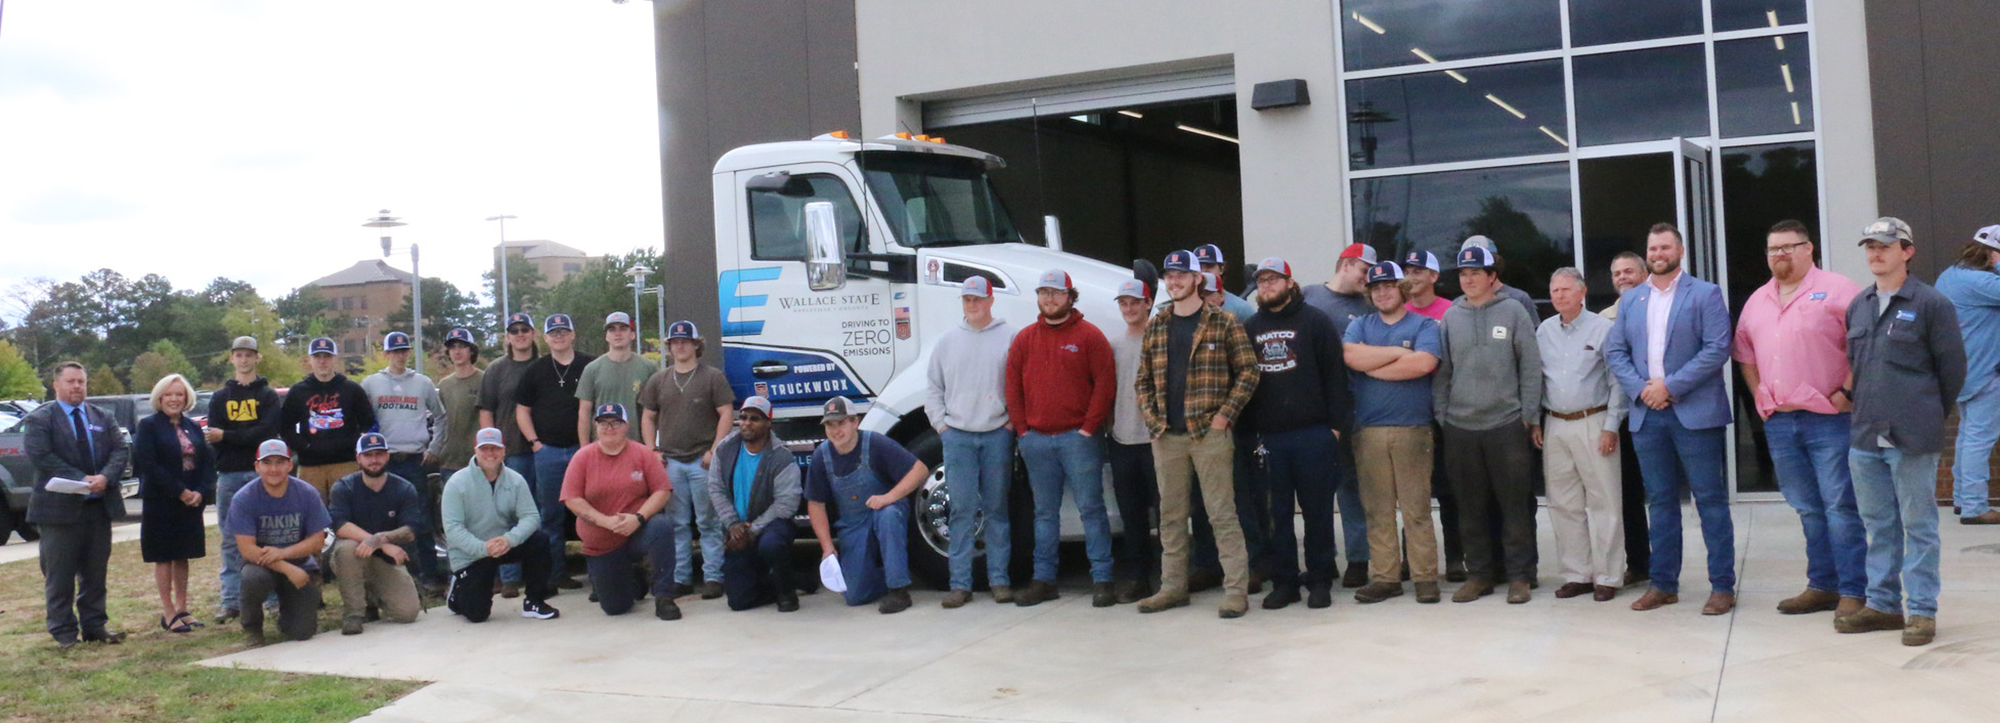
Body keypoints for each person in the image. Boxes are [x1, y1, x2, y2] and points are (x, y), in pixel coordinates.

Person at [1838, 216, 1966, 647]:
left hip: (1912, 435)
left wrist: (1927, 413)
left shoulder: (1932, 304)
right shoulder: (1859, 305)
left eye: (1886, 246)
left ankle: (1923, 612)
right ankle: (1883, 606)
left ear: (1907, 252)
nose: (1876, 254)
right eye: (1870, 247)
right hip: (1865, 434)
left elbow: (1953, 371)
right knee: (1878, 523)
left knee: (1919, 523)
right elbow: (1859, 368)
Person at [1733, 220, 1866, 616]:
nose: (1780, 255)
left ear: (1809, 248)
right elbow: (1745, 354)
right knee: (1807, 507)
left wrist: (1847, 391)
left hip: (1829, 420)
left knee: (1841, 506)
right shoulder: (1758, 300)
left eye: (1789, 247)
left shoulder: (1840, 290)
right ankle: (1822, 584)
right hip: (1781, 422)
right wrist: (1759, 391)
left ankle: (1854, 591)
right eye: (1773, 249)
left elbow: (1865, 342)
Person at [1604, 223, 1738, 615]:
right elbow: (1616, 352)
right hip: (1647, 414)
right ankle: (1664, 584)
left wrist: (1670, 386)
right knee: (1660, 502)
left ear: (1679, 250)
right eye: (1652, 248)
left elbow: (1717, 348)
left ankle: (1722, 587)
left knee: (1710, 501)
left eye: (1665, 247)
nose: (1658, 253)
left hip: (1694, 413)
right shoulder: (1632, 300)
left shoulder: (1706, 294)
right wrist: (1643, 389)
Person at [1135, 249, 1261, 618]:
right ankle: (1172, 587)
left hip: (1209, 433)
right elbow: (1142, 380)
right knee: (1171, 516)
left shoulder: (1223, 322)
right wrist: (1153, 422)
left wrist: (1225, 416)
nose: (1174, 282)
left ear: (1196, 280)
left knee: (1222, 513)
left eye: (1181, 275)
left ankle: (1236, 590)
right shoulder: (1157, 324)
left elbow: (1249, 372)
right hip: (1167, 436)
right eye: (1168, 276)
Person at [1241, 256, 1351, 610]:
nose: (1267, 286)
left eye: (1274, 280)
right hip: (1269, 438)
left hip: (1313, 435)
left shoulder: (1316, 322)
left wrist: (1334, 428)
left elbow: (1336, 377)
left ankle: (1319, 580)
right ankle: (1284, 582)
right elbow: (1244, 383)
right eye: (1261, 281)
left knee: (1318, 512)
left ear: (1290, 283)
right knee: (1277, 515)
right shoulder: (1251, 328)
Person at [1434, 246, 1543, 604]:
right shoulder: (1452, 316)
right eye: (1463, 274)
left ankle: (1519, 576)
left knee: (1514, 505)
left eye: (1475, 273)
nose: (1468, 280)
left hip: (1506, 424)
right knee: (1470, 506)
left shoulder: (1513, 311)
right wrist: (1444, 416)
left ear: (1492, 276)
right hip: (1461, 427)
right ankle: (1479, 574)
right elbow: (1443, 371)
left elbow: (1529, 366)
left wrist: (1528, 416)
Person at [1005, 269, 1118, 608]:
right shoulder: (1025, 339)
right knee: (1044, 514)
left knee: (1091, 509)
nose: (1050, 299)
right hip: (1036, 441)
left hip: (1078, 439)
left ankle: (1103, 579)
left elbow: (1105, 384)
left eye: (1056, 293)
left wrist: (1088, 426)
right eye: (1044, 293)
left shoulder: (1089, 336)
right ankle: (1044, 580)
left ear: (1071, 296)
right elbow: (1012, 387)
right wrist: (1023, 429)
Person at [1343, 261, 1444, 604]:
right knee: (1377, 509)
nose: (1382, 292)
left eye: (1388, 286)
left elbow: (1424, 364)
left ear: (1401, 289)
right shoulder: (1360, 326)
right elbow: (1350, 356)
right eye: (1375, 287)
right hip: (1368, 430)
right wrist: (1398, 354)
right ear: (1369, 294)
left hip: (1413, 429)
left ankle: (1425, 577)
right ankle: (1385, 577)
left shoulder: (1424, 324)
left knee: (1416, 509)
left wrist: (1376, 368)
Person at [924, 276, 1018, 607]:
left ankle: (1000, 581)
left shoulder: (1010, 338)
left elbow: (1020, 383)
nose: (972, 304)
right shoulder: (947, 341)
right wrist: (942, 426)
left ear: (991, 301)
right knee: (961, 511)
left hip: (996, 435)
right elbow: (933, 387)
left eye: (978, 299)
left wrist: (1011, 424)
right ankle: (960, 584)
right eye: (966, 299)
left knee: (996, 509)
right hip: (958, 437)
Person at [23, 361, 130, 649]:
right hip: (58, 511)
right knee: (59, 575)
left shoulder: (102, 416)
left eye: (81, 381)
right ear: (56, 385)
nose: (76, 387)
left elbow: (120, 449)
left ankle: (95, 626)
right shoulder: (41, 419)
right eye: (70, 382)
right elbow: (42, 457)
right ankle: (64, 632)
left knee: (95, 573)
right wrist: (82, 479)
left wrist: (105, 477)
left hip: (97, 508)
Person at [1536, 268, 1627, 603]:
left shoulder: (1603, 329)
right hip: (1555, 423)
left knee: (1604, 502)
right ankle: (1578, 574)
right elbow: (1537, 379)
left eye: (1565, 290)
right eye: (1554, 290)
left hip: (1594, 422)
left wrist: (1611, 426)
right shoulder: (1544, 331)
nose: (1559, 296)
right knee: (1563, 503)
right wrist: (1535, 421)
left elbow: (1618, 380)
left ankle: (1608, 576)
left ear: (1582, 292)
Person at [1299, 242, 1379, 588]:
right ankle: (1322, 559)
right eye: (1364, 270)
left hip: (1350, 406)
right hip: (1310, 408)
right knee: (1314, 490)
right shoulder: (1308, 295)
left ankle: (1359, 559)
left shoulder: (1369, 305)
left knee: (1350, 485)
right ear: (1345, 265)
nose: (1368, 279)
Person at [637, 320, 733, 600]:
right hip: (671, 463)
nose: (680, 346)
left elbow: (726, 412)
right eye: (674, 342)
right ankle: (681, 578)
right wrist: (651, 450)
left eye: (685, 341)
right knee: (677, 524)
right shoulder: (658, 380)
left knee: (709, 522)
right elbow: (648, 416)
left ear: (696, 344)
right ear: (669, 347)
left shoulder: (712, 377)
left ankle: (714, 576)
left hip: (702, 461)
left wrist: (715, 449)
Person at [806, 396, 927, 613]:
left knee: (889, 516)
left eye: (841, 423)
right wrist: (827, 547)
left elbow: (919, 470)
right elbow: (816, 504)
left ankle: (899, 590)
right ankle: (886, 574)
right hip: (853, 524)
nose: (836, 430)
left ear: (855, 422)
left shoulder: (876, 443)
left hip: (884, 512)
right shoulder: (820, 457)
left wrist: (889, 497)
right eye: (830, 425)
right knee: (854, 595)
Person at [563, 403, 678, 619]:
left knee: (662, 526)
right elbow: (571, 498)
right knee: (615, 608)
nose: (609, 428)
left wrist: (639, 518)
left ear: (626, 425)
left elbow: (662, 491)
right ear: (595, 426)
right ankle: (634, 580)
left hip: (637, 531)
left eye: (616, 422)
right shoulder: (583, 457)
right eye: (603, 423)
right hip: (602, 539)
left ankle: (664, 597)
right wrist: (604, 521)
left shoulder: (642, 453)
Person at [442, 428, 561, 623]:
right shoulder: (456, 484)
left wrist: (509, 539)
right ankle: (457, 592)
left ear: (504, 451)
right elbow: (453, 529)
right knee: (477, 615)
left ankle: (534, 601)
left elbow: (531, 516)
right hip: (472, 554)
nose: (490, 454)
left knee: (540, 540)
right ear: (476, 451)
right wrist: (484, 548)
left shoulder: (515, 480)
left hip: (503, 544)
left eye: (495, 448)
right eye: (485, 449)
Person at [362, 330, 448, 594]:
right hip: (384, 460)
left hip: (415, 459)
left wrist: (434, 447)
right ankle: (387, 578)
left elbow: (442, 417)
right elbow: (362, 420)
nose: (399, 355)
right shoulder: (370, 384)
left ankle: (428, 575)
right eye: (394, 351)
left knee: (419, 519)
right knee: (383, 521)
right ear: (386, 354)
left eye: (403, 350)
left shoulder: (422, 383)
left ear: (408, 353)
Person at [206, 336, 284, 624]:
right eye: (238, 355)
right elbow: (212, 436)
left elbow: (267, 432)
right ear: (231, 358)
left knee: (268, 535)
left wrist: (228, 436)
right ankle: (231, 600)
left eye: (249, 354)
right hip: (228, 474)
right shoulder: (219, 397)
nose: (244, 359)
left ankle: (274, 600)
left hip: (261, 473)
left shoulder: (268, 395)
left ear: (257, 358)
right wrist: (234, 438)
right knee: (230, 538)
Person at [514, 313, 595, 591]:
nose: (559, 336)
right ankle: (555, 574)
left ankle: (597, 573)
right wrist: (535, 442)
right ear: (546, 338)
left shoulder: (589, 365)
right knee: (550, 516)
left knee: (591, 512)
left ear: (573, 335)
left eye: (564, 331)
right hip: (547, 453)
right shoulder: (535, 370)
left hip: (583, 451)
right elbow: (522, 410)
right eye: (553, 333)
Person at [225, 439, 330, 646]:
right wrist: (285, 568)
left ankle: (287, 618)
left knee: (303, 632)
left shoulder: (307, 493)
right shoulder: (244, 498)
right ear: (257, 466)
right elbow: (247, 549)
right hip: (260, 566)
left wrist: (283, 554)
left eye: (280, 462)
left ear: (290, 465)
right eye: (267, 462)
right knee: (252, 579)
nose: (274, 469)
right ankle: (253, 628)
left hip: (299, 564)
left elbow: (317, 542)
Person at [133, 373, 215, 633]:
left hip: (191, 502)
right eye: (169, 394)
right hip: (162, 500)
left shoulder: (192, 426)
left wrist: (200, 491)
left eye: (179, 394)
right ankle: (168, 611)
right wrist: (180, 491)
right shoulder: (148, 426)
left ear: (187, 398)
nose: (174, 399)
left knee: (183, 555)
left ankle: (182, 607)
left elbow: (205, 463)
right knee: (164, 556)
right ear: (159, 397)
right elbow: (148, 464)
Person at [706, 397, 802, 612]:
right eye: (743, 417)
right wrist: (732, 525)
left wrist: (753, 530)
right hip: (737, 530)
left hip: (770, 527)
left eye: (754, 418)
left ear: (769, 423)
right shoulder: (725, 449)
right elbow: (715, 488)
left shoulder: (781, 457)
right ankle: (790, 581)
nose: (746, 423)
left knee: (772, 544)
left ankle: (787, 594)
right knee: (738, 602)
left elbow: (786, 504)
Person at [328, 433, 424, 635]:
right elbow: (339, 525)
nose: (374, 460)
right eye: (368, 455)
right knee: (346, 548)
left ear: (387, 456)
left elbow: (411, 530)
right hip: (354, 556)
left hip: (386, 560)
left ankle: (373, 595)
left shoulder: (404, 488)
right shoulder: (343, 487)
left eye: (379, 454)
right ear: (358, 458)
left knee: (407, 613)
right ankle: (354, 613)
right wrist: (378, 543)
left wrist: (380, 539)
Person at [1936, 224, 2000, 526]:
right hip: (1985, 373)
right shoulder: (1981, 283)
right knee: (1979, 439)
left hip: (1963, 371)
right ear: (1991, 254)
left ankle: (1963, 499)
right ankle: (1975, 506)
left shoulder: (1950, 275)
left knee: (1967, 436)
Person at [478, 312, 541, 596]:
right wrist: (491, 451)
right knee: (507, 514)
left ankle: (544, 572)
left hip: (544, 449)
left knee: (542, 512)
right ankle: (509, 576)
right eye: (514, 330)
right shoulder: (496, 369)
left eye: (524, 329)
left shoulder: (546, 366)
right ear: (507, 337)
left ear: (533, 333)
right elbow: (486, 410)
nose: (519, 334)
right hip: (510, 452)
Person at [1108, 278, 1161, 603]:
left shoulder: (1161, 340)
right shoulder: (1113, 346)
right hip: (1121, 439)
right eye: (1123, 303)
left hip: (1156, 439)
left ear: (1147, 303)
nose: (1129, 308)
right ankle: (1138, 578)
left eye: (1134, 302)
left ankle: (1170, 577)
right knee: (1132, 515)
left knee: (1167, 512)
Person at [1602, 251, 1651, 587]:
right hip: (1624, 418)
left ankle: (1665, 567)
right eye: (1617, 273)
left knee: (1663, 494)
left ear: (1645, 274)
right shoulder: (1603, 319)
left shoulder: (1660, 308)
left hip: (1662, 410)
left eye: (1629, 271)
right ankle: (1639, 564)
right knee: (1629, 494)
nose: (1623, 277)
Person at [282, 336, 376, 499]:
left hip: (345, 463)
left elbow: (367, 423)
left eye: (327, 356)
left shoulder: (351, 389)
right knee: (311, 515)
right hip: (310, 466)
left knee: (347, 511)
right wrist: (306, 446)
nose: (322, 361)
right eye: (317, 357)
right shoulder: (298, 391)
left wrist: (350, 443)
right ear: (310, 360)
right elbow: (285, 427)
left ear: (334, 359)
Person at [576, 311, 658, 445]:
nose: (617, 333)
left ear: (632, 334)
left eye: (623, 329)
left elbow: (655, 412)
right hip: (602, 446)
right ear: (606, 336)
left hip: (637, 446)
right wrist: (585, 449)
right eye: (612, 329)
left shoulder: (648, 367)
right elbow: (584, 413)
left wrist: (651, 449)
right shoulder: (592, 369)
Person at [1193, 243, 1257, 321]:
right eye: (1199, 267)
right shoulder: (1183, 306)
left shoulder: (1240, 308)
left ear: (1221, 269)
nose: (1204, 272)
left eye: (1209, 266)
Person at [1401, 250, 1451, 321]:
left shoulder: (1450, 311)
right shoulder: (1400, 313)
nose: (1409, 278)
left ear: (1433, 276)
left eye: (1417, 272)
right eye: (1406, 273)